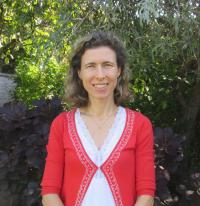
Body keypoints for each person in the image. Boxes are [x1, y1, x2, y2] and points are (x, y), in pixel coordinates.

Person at [41, 31, 155, 206]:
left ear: (119, 70)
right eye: (91, 66)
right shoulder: (61, 125)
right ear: (79, 72)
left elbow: (146, 194)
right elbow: (49, 192)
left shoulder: (140, 125)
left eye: (107, 65)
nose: (100, 75)